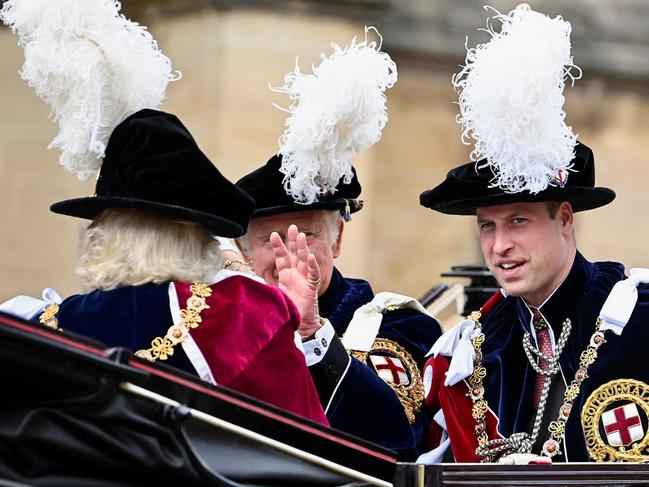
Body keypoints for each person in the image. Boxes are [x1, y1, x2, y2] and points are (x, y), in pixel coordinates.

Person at [0, 0, 326, 424]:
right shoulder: (243, 312)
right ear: (197, 238)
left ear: (102, 237)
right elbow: (310, 443)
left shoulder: (41, 325)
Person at [418, 4, 649, 464]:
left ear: (565, 218)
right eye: (488, 226)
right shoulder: (474, 349)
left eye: (518, 221)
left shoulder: (636, 320)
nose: (499, 246)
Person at [236, 155, 443, 459]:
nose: (292, 254)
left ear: (337, 240)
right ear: (245, 252)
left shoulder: (400, 325)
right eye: (270, 240)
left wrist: (310, 332)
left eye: (306, 234)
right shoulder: (229, 330)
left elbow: (396, 446)